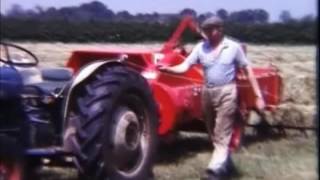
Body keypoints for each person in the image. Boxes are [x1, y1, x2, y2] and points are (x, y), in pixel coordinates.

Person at [158, 15, 265, 179]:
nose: (207, 32)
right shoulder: (201, 48)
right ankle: (226, 164)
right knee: (213, 132)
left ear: (220, 30)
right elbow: (185, 66)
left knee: (222, 132)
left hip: (227, 92)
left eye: (211, 29)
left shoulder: (233, 47)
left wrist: (258, 95)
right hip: (207, 93)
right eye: (206, 29)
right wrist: (168, 69)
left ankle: (213, 171)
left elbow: (247, 70)